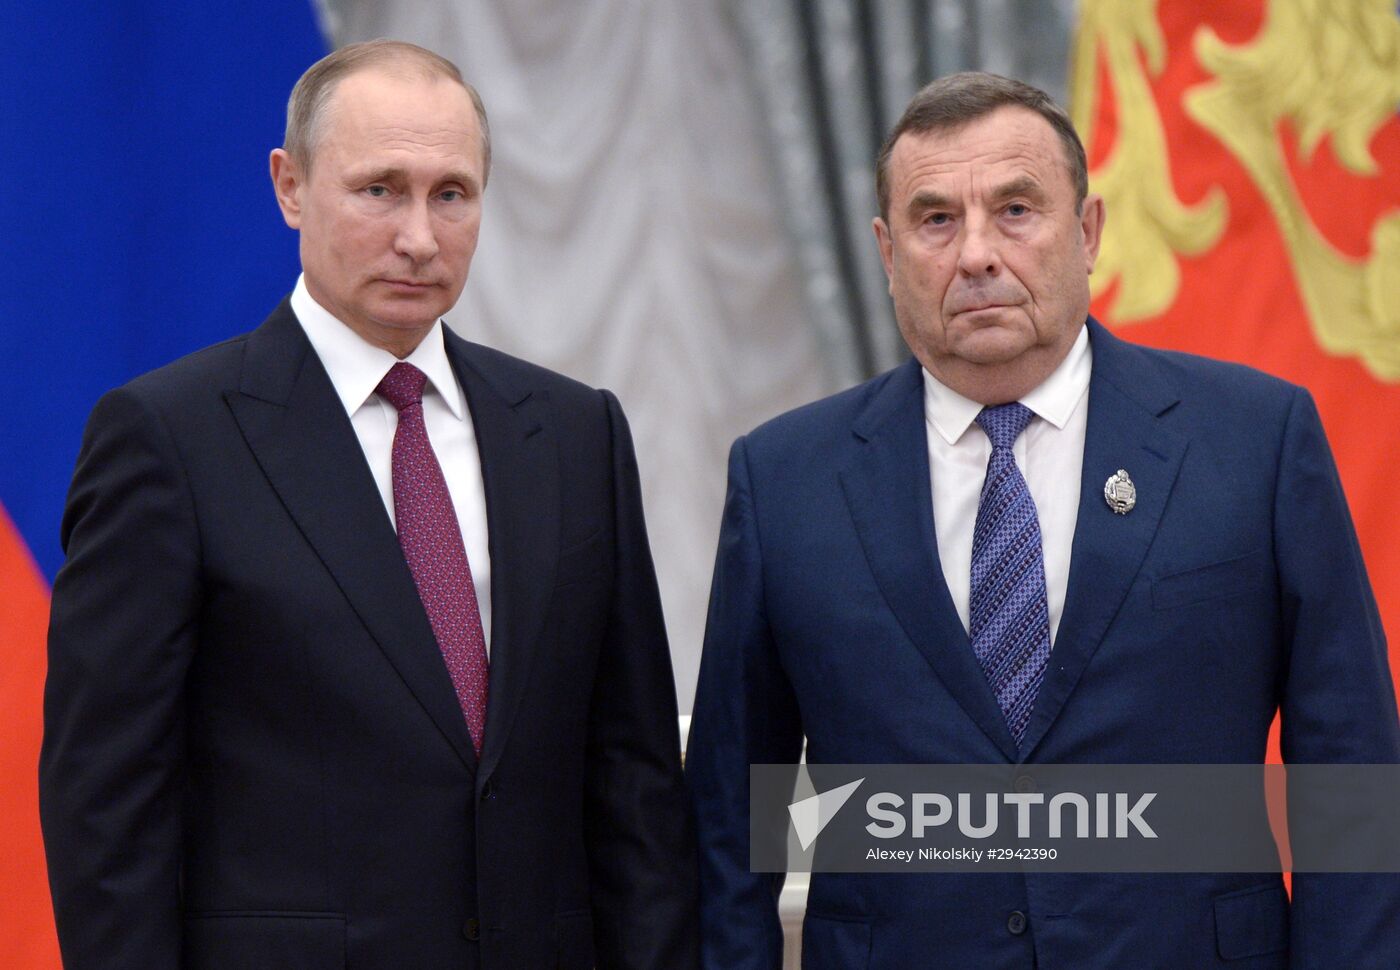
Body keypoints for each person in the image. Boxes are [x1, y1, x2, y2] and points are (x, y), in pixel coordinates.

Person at [686, 71, 1400, 968]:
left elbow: (1352, 784)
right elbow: (729, 819)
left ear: (1088, 230)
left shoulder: (1255, 440)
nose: (977, 253)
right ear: (886, 250)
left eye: (1017, 209)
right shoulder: (785, 478)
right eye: (936, 219)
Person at [40, 39, 697, 970]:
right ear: (290, 186)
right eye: (379, 189)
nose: (420, 237)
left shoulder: (575, 432)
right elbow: (106, 798)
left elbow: (630, 779)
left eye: (452, 194)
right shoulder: (167, 437)